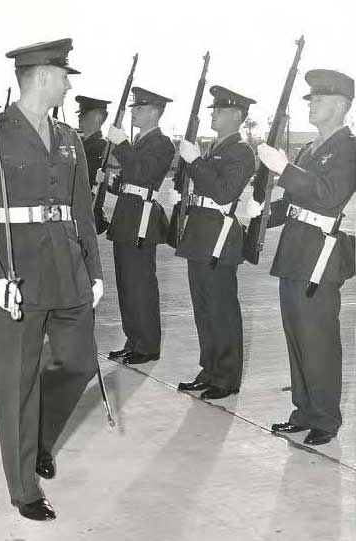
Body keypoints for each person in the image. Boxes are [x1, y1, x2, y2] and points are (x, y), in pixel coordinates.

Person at [0, 38, 103, 521]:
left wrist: (95, 270)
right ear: (42, 75)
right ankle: (24, 487)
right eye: (64, 75)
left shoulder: (69, 139)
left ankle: (38, 436)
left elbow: (81, 208)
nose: (68, 83)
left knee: (79, 364)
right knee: (15, 383)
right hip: (15, 275)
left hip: (67, 271)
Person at [251, 69, 355, 445]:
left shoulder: (349, 148)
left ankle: (326, 417)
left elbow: (327, 195)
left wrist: (285, 169)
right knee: (297, 336)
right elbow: (296, 201)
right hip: (295, 253)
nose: (312, 105)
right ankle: (304, 408)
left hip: (321, 258)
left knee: (319, 339)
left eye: (321, 100)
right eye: (311, 99)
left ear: (342, 105)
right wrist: (262, 212)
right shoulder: (311, 149)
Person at [175, 85, 256, 399]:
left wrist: (195, 163)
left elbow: (224, 193)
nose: (213, 114)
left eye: (220, 110)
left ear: (236, 116)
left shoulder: (241, 151)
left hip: (220, 239)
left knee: (222, 310)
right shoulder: (213, 147)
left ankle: (226, 377)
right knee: (204, 310)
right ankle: (208, 369)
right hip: (200, 236)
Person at [105, 87, 175, 365]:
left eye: (140, 108)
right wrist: (111, 182)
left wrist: (121, 145)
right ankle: (133, 340)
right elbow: (129, 181)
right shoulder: (139, 143)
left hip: (143, 222)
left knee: (141, 286)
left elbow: (142, 174)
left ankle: (147, 345)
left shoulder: (163, 144)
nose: (134, 111)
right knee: (126, 286)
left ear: (155, 112)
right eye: (134, 107)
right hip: (127, 220)